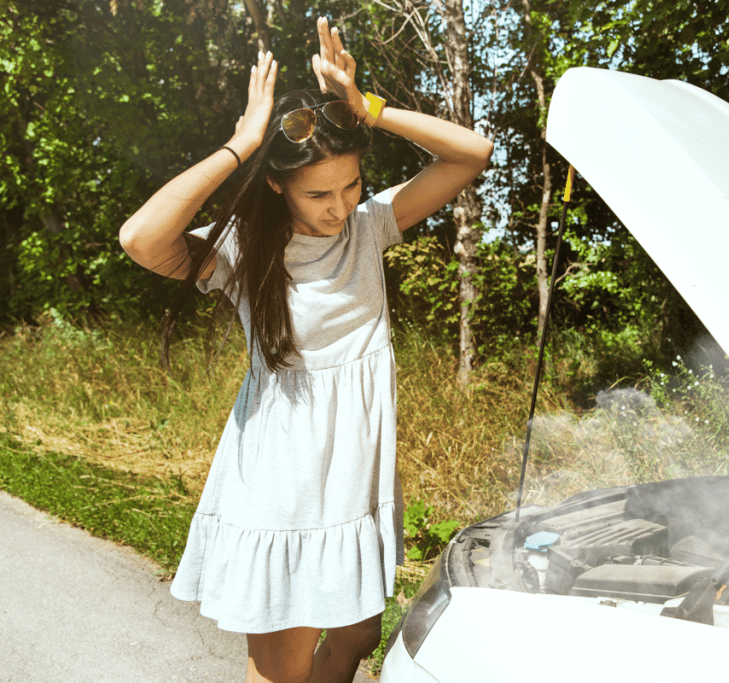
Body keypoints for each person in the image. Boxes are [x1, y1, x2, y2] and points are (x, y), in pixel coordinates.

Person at [118, 17, 492, 683]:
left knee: (355, 638)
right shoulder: (242, 251)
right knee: (283, 670)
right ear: (276, 184)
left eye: (350, 185)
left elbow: (472, 153)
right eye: (319, 193)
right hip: (281, 489)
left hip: (355, 478)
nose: (340, 206)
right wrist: (240, 144)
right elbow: (141, 238)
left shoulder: (369, 228)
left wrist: (368, 108)